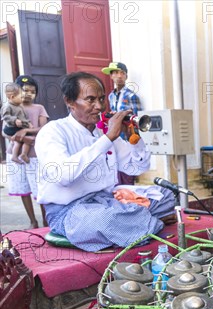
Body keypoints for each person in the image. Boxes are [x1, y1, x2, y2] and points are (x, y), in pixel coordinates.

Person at [35, 72, 176, 252]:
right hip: (68, 212)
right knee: (106, 220)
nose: (99, 107)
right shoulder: (53, 131)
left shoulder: (103, 133)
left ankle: (139, 222)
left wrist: (135, 137)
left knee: (165, 196)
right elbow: (64, 176)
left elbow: (137, 167)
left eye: (102, 99)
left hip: (107, 201)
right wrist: (108, 138)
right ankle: (150, 222)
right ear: (69, 101)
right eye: (90, 100)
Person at [3, 76, 49, 229]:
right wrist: (19, 137)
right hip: (14, 155)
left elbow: (43, 128)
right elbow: (5, 132)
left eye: (32, 91)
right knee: (23, 189)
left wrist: (26, 130)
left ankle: (45, 221)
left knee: (40, 189)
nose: (28, 94)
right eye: (25, 90)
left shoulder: (39, 108)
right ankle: (32, 221)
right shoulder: (11, 107)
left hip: (34, 156)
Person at [102, 61, 142, 185]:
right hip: (114, 136)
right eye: (115, 73)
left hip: (126, 137)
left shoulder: (131, 96)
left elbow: (137, 119)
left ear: (126, 76)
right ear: (111, 76)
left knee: (128, 169)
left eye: (122, 73)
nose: (119, 76)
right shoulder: (110, 96)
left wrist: (134, 140)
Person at [2, 83, 33, 164]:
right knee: (20, 140)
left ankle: (22, 154)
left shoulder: (19, 106)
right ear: (12, 97)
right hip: (12, 127)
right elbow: (5, 116)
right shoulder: (7, 106)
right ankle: (16, 156)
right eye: (21, 97)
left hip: (20, 127)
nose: (23, 99)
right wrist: (14, 120)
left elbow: (24, 117)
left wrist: (28, 123)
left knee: (25, 140)